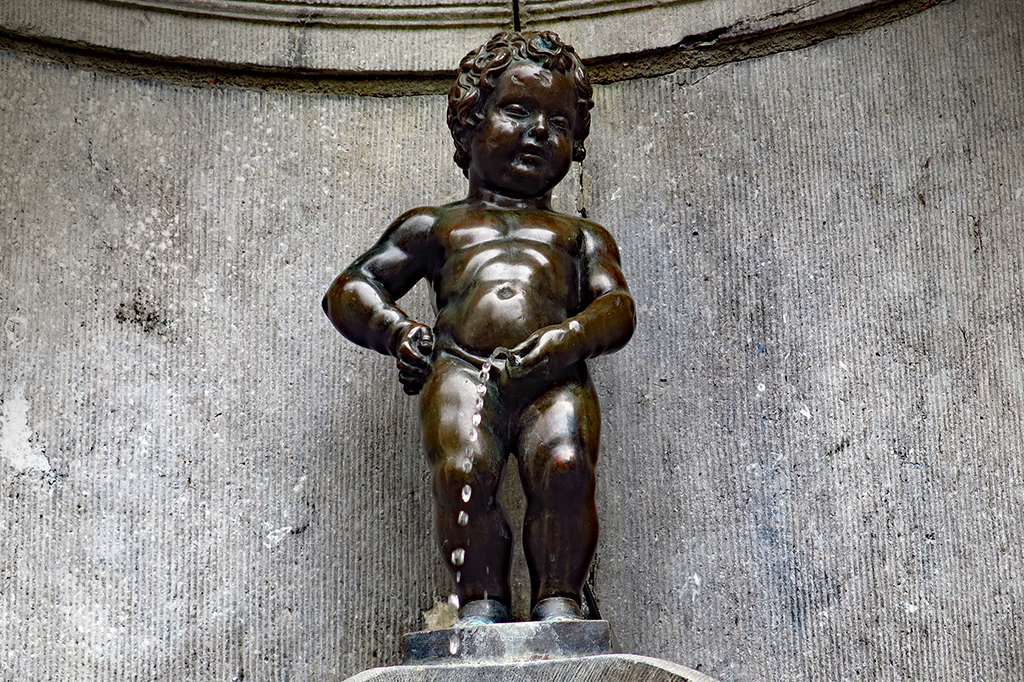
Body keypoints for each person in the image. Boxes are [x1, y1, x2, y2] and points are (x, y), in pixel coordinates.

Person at [323, 30, 634, 625]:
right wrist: (396, 332)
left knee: (566, 467)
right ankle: (482, 602)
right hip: (463, 368)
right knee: (463, 471)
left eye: (560, 122)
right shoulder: (436, 226)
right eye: (518, 110)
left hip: (556, 374)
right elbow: (351, 289)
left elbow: (616, 308)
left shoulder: (580, 236)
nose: (540, 130)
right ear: (471, 122)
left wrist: (568, 339)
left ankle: (559, 600)